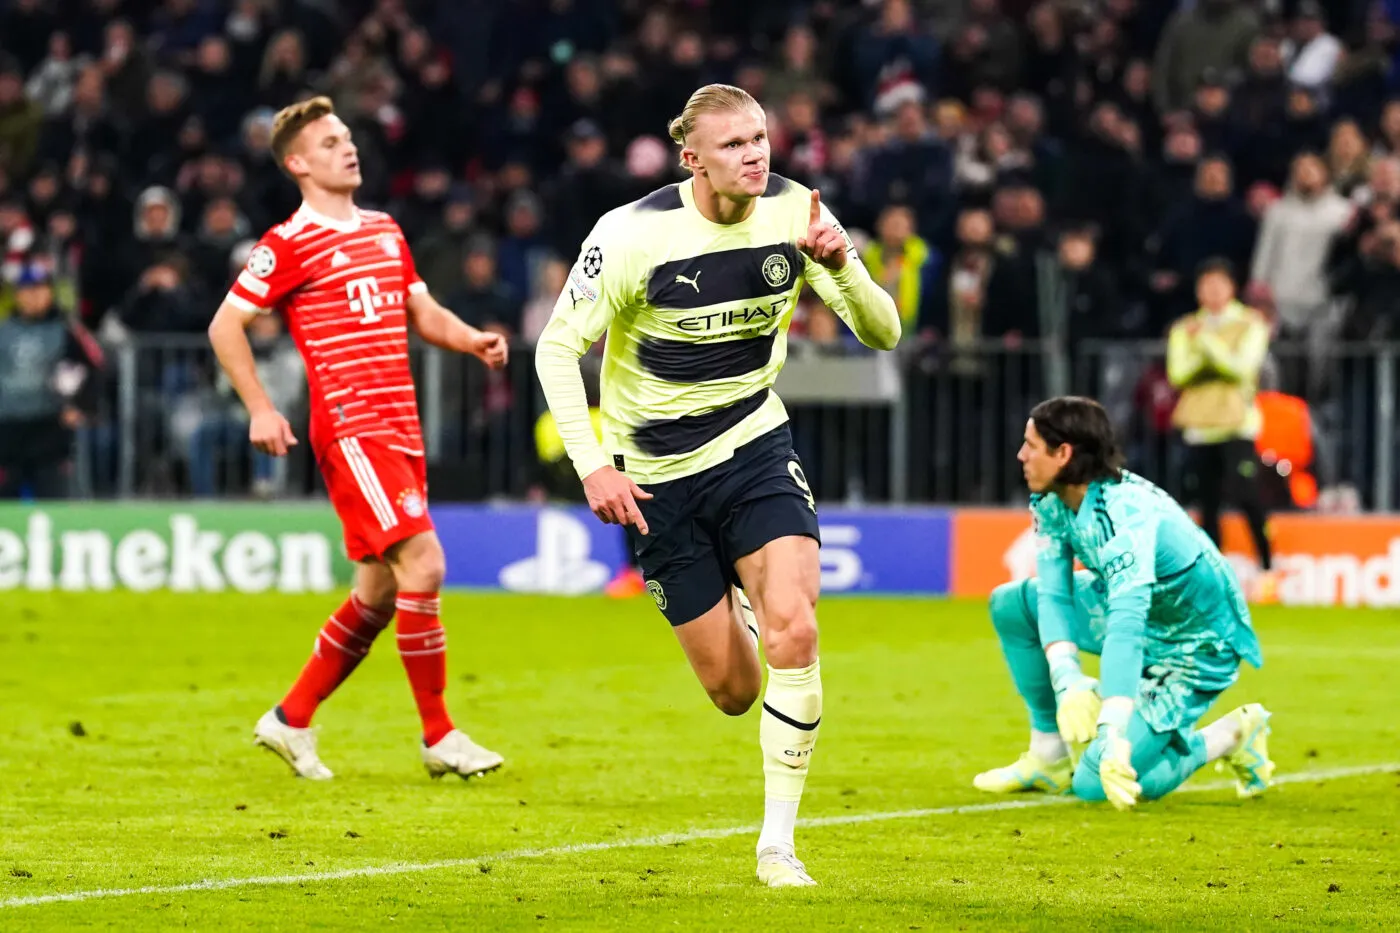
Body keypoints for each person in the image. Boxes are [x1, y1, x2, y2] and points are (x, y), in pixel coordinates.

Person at [534, 84, 900, 887]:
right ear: (691, 158)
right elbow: (558, 349)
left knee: (795, 631)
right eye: (734, 144)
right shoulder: (630, 235)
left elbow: (883, 332)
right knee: (734, 690)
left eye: (761, 137)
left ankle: (778, 843)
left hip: (752, 445)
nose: (756, 154)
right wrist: (591, 461)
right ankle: (735, 598)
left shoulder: (798, 212)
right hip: (655, 478)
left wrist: (843, 264)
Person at [207, 96, 509, 781]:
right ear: (298, 163)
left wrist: (471, 340)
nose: (349, 147)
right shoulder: (287, 243)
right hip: (352, 426)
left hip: (401, 425)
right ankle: (439, 734)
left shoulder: (385, 229)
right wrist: (259, 406)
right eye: (330, 141)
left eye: (348, 136)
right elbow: (225, 326)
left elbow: (421, 309)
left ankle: (290, 718)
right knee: (424, 564)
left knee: (377, 592)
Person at [973, 397, 1273, 810]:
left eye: (1031, 445)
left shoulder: (1124, 517)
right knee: (1012, 604)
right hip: (1142, 615)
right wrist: (1068, 679)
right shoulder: (1050, 498)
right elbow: (1055, 594)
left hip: (1196, 646)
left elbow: (1125, 628)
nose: (1021, 455)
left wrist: (1111, 727)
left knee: (1096, 785)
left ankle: (1229, 736)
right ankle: (1047, 757)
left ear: (1063, 454)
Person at [1167, 259, 1276, 601]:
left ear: (1232, 288)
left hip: (1238, 423)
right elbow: (1178, 374)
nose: (1212, 292)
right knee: (1207, 502)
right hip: (1199, 424)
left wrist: (1208, 345)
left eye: (1219, 284)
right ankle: (1215, 580)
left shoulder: (1250, 323)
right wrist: (1218, 359)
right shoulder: (1184, 326)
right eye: (1206, 284)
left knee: (1246, 493)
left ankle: (1269, 568)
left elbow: (1243, 369)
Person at [0, 264, 102, 499]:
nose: (33, 297)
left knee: (53, 499)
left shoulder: (66, 330)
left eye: (39, 289)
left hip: (49, 429)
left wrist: (80, 405)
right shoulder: (4, 331)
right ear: (17, 295)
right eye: (26, 291)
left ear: (49, 293)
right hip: (7, 429)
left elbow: (93, 368)